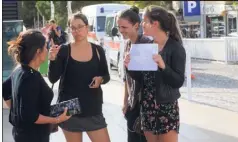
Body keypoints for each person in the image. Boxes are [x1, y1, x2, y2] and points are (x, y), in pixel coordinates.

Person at [124, 5, 186, 142]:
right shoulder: (147, 46)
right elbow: (142, 78)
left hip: (166, 108)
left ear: (155, 24)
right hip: (147, 107)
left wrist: (163, 66)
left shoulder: (175, 48)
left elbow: (179, 81)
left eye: (145, 21)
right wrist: (130, 67)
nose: (142, 24)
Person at [48, 12, 111, 142]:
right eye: (73, 27)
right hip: (70, 110)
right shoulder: (65, 50)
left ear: (87, 27)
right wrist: (53, 60)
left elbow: (106, 75)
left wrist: (101, 79)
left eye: (80, 26)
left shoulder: (98, 50)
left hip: (93, 109)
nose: (77, 31)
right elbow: (53, 78)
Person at [2, 29, 71, 142]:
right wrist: (57, 119)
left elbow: (5, 90)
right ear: (38, 51)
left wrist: (17, 110)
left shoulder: (20, 69)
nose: (47, 50)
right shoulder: (30, 77)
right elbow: (31, 116)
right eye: (45, 47)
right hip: (33, 136)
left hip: (22, 133)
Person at [117, 6, 151, 142]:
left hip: (146, 107)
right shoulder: (127, 45)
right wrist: (126, 102)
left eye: (124, 27)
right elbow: (127, 78)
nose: (120, 31)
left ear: (136, 25)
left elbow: (148, 79)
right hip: (133, 106)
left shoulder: (146, 44)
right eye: (119, 27)